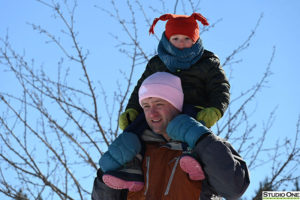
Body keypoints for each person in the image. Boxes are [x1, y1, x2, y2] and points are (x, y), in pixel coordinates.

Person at [101, 13, 231, 191]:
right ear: (168, 39)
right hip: (159, 105)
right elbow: (141, 88)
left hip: (193, 107)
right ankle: (131, 166)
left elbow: (220, 88)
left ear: (195, 40)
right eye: (176, 38)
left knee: (185, 126)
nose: (181, 43)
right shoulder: (157, 62)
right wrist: (132, 109)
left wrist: (215, 110)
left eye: (187, 39)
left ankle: (192, 157)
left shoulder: (208, 62)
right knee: (136, 127)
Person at [92, 72, 249, 200]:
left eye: (159, 104)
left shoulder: (206, 145)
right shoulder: (134, 152)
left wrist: (202, 139)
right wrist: (106, 171)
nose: (152, 113)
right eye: (146, 106)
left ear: (176, 105)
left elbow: (234, 188)